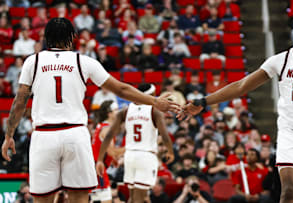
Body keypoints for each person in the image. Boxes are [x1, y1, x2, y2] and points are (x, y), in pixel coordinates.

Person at [178, 13, 293, 203]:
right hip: (290, 133)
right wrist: (203, 101)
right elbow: (241, 85)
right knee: (288, 190)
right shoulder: (280, 60)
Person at [1, 18, 179, 203]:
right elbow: (121, 89)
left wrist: (9, 136)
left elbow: (20, 101)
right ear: (72, 38)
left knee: (42, 200)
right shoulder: (83, 61)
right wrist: (154, 101)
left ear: (46, 38)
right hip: (75, 134)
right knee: (79, 198)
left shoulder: (33, 62)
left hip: (44, 136)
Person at [96, 83, 175, 203]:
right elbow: (165, 136)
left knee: (133, 198)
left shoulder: (125, 111)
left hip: (129, 156)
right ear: (152, 95)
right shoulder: (155, 111)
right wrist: (170, 151)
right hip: (146, 156)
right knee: (139, 198)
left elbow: (108, 137)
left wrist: (100, 159)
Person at [91, 100, 125, 203]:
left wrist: (113, 160)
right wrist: (131, 146)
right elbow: (112, 152)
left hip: (95, 167)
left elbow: (104, 150)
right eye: (116, 110)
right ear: (109, 114)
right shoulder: (107, 129)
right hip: (98, 169)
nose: (118, 112)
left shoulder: (101, 126)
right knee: (106, 200)